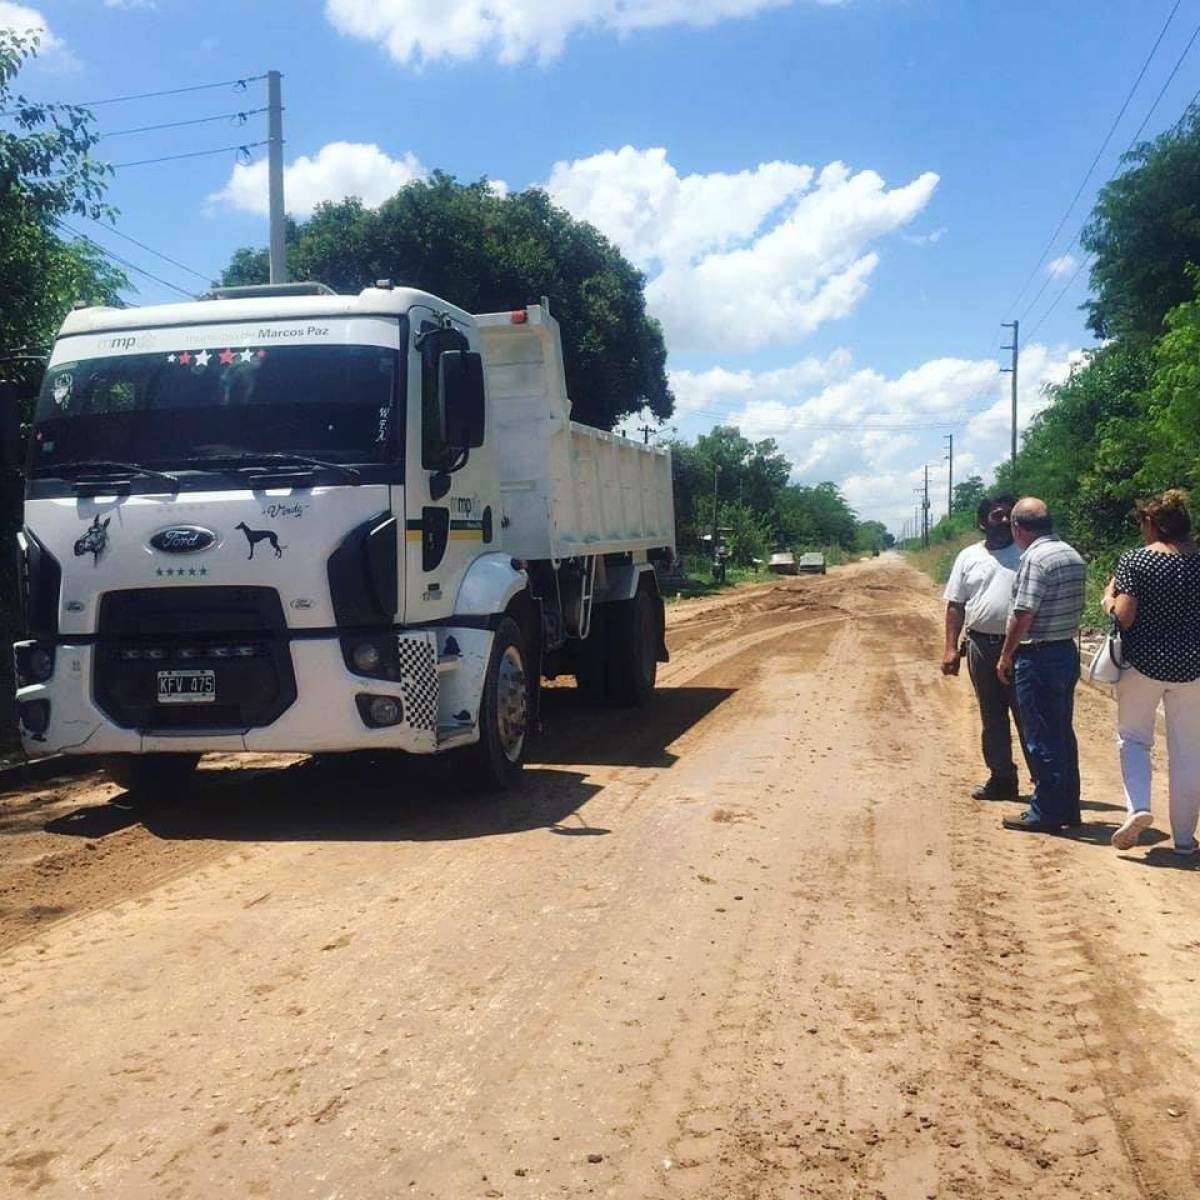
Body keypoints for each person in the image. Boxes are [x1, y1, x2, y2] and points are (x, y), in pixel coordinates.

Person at [1100, 490, 1200, 855]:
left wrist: (1107, 599)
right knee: (1189, 752)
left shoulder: (1137, 561)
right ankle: (1186, 840)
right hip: (1193, 666)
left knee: (1134, 738)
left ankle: (1139, 807)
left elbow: (1123, 616)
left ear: (1153, 523)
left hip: (1142, 665)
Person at [996, 498, 1087, 833]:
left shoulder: (1035, 558)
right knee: (1062, 733)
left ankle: (1045, 811)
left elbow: (1024, 612)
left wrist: (1006, 654)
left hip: (1039, 656)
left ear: (1018, 527)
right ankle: (1067, 807)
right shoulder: (1070, 553)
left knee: (1041, 736)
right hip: (1064, 650)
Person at [942, 494, 1032, 800]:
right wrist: (950, 648)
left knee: (1028, 716)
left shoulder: (1028, 553)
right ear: (983, 522)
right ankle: (1002, 779)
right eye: (997, 516)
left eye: (1010, 515)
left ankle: (1045, 785)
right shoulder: (968, 556)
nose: (1005, 521)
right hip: (981, 646)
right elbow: (956, 604)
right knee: (992, 716)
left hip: (1023, 648)